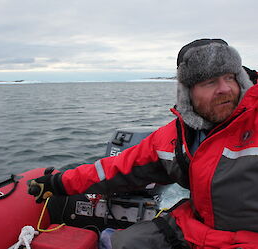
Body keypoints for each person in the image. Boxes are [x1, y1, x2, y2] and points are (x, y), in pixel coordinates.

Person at [28, 38, 258, 248]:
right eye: (210, 82)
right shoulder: (176, 137)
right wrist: (59, 183)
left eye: (230, 77)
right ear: (188, 93)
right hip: (197, 229)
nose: (226, 88)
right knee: (125, 243)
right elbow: (117, 167)